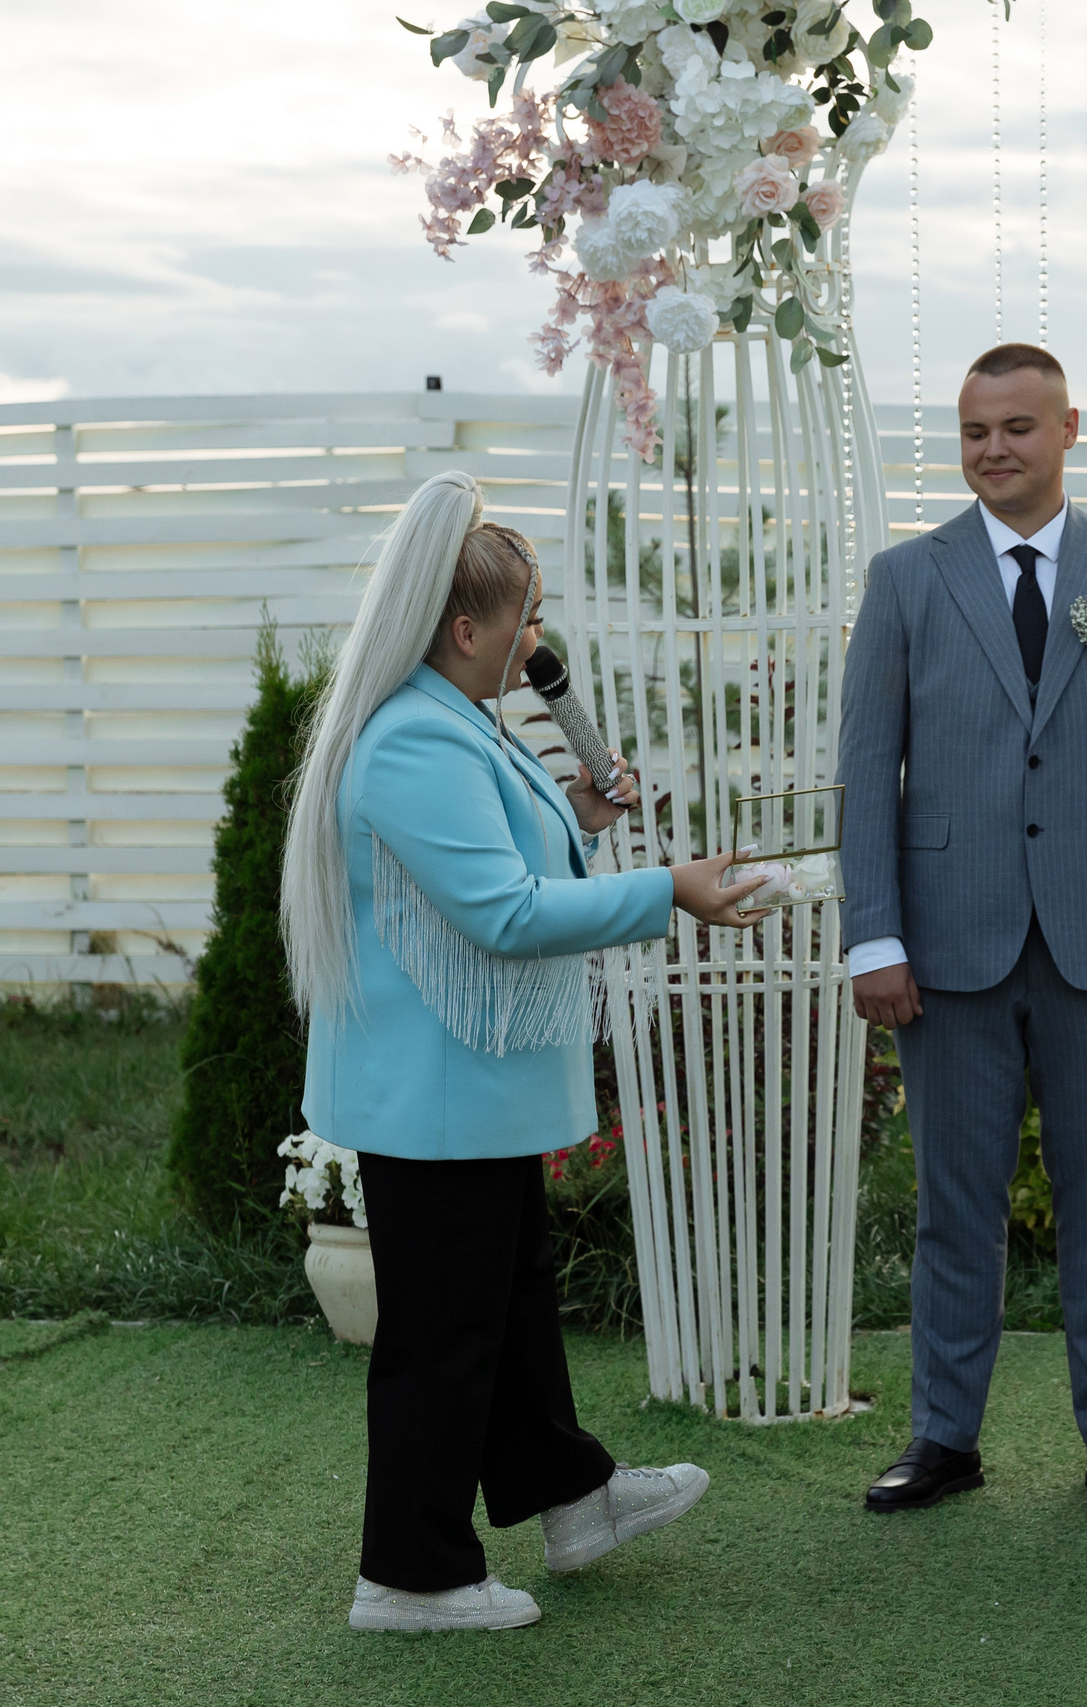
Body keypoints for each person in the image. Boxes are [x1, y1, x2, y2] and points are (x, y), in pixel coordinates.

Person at [282, 470, 765, 1632]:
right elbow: (498, 913)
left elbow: (507, 864)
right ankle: (410, 1576)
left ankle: (572, 1496)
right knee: (444, 1337)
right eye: (526, 615)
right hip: (434, 1095)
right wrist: (668, 891)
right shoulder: (410, 742)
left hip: (469, 1091)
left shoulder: (457, 722)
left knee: (506, 1303)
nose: (538, 637)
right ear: (465, 628)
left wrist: (579, 825)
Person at [835, 343, 1087, 1512]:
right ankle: (944, 1438)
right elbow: (867, 769)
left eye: (1016, 427)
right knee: (953, 1207)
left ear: (1068, 431)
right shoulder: (907, 580)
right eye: (973, 432)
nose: (993, 450)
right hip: (945, 949)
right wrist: (874, 936)